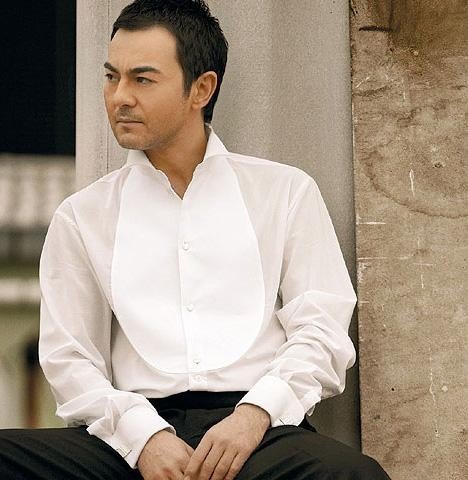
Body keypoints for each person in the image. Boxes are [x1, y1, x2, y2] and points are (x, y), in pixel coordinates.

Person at [0, 1, 391, 479]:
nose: (119, 97)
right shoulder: (82, 216)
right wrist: (143, 437)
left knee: (352, 475)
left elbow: (322, 332)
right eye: (111, 77)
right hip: (127, 437)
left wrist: (254, 415)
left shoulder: (284, 192)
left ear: (201, 89)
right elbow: (70, 358)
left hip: (258, 433)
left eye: (142, 79)